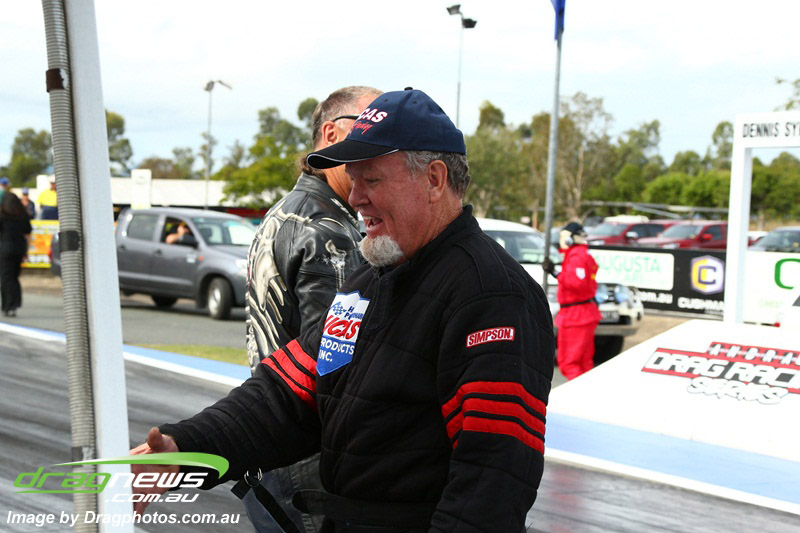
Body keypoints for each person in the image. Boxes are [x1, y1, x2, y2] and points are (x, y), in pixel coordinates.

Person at [130, 89, 554, 532]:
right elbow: (285, 396)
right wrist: (183, 449)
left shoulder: (493, 295)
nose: (355, 198)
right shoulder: (368, 280)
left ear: (434, 179)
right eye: (352, 180)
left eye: (371, 180)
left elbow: (492, 480)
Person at [241, 85, 381, 533]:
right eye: (369, 127)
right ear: (331, 134)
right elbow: (336, 364)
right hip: (308, 453)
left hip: (274, 434)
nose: (381, 144)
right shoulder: (326, 228)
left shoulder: (288, 211)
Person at [542, 221, 602, 380]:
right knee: (583, 363)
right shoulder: (581, 255)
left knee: (569, 363)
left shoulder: (577, 257)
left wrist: (555, 273)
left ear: (570, 238)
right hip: (582, 313)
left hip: (576, 316)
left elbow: (577, 283)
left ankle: (578, 393)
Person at [0, 193, 33, 317]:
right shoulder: (23, 216)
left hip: (5, 249)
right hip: (19, 249)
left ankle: (8, 305)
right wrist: (26, 252)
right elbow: (28, 236)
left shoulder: (2, 216)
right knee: (14, 277)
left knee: (6, 278)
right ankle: (14, 304)